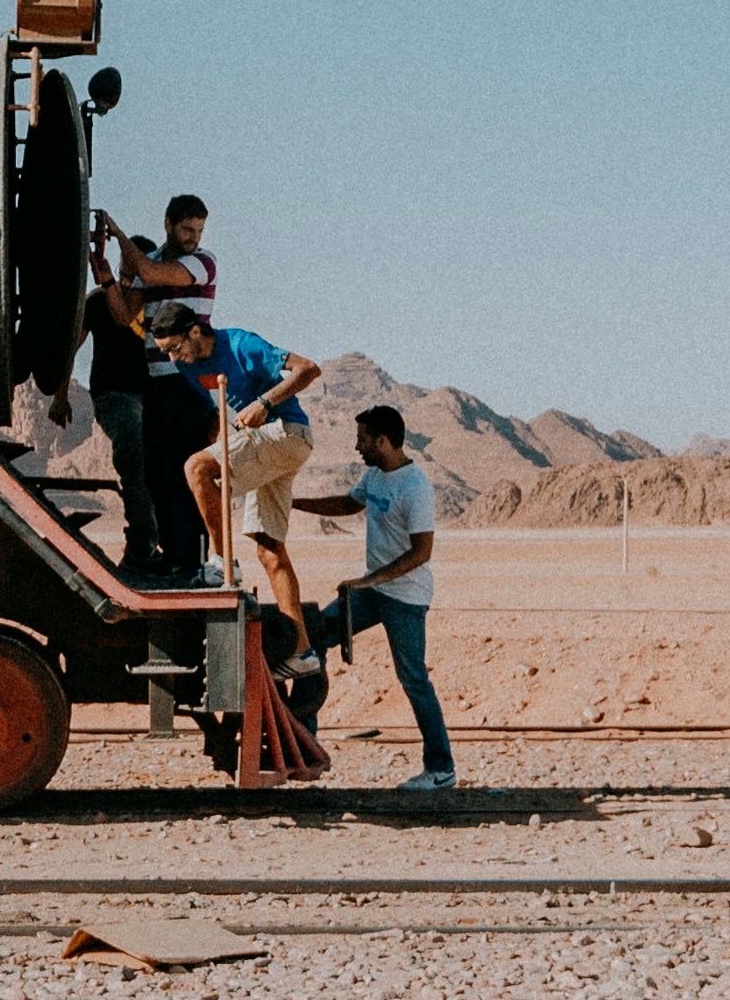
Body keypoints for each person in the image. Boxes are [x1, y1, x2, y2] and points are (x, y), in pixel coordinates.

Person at [297, 405, 454, 792]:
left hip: (405, 597)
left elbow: (422, 552)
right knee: (311, 641)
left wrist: (370, 581)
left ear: (383, 441)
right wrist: (294, 503)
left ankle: (441, 769)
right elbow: (350, 504)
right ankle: (303, 747)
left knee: (414, 679)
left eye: (363, 439)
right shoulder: (374, 475)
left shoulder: (415, 487)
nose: (356, 447)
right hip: (371, 590)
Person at [153, 303, 324, 618]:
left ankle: (221, 562)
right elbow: (223, 410)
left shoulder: (242, 344)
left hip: (286, 433)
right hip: (267, 447)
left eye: (175, 348)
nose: (173, 359)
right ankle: (302, 650)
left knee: (196, 468)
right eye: (167, 353)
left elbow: (309, 369)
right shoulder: (188, 366)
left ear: (195, 331)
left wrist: (264, 403)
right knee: (270, 552)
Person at [87, 198, 216, 585]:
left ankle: (195, 563)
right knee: (156, 474)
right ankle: (172, 558)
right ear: (169, 224)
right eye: (186, 229)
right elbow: (124, 315)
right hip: (155, 385)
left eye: (199, 231)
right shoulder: (156, 263)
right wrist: (108, 278)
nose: (194, 238)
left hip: (189, 383)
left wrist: (116, 230)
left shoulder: (200, 263)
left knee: (187, 474)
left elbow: (144, 268)